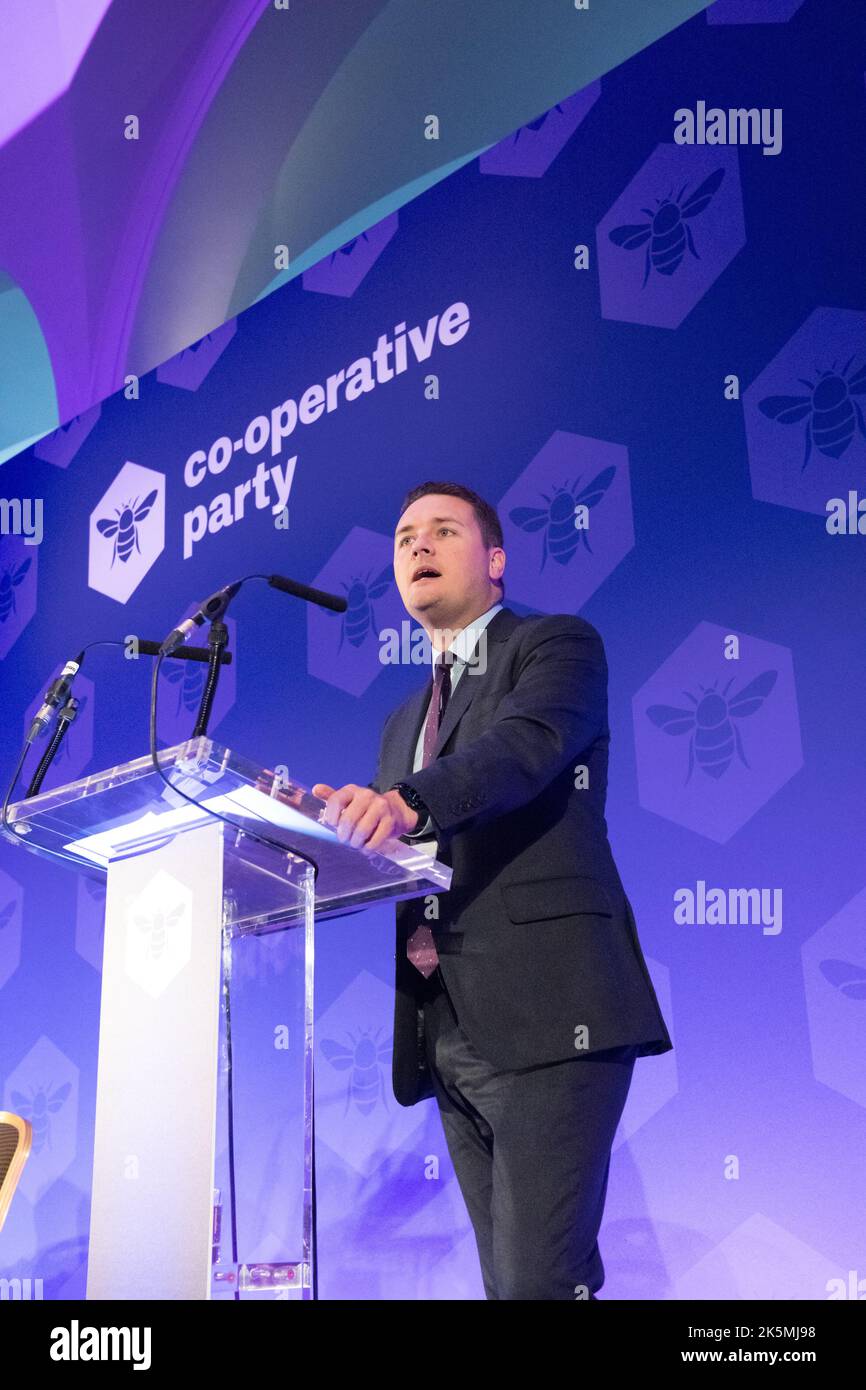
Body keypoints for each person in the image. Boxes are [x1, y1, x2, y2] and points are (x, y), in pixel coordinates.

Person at [313, 481, 672, 1300]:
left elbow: (523, 748)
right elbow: (398, 851)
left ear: (497, 560)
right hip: (446, 1027)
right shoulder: (402, 720)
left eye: (443, 531)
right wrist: (323, 830)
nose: (418, 547)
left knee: (537, 1285)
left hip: (551, 1011)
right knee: (512, 1285)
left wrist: (403, 801)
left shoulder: (554, 647)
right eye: (404, 537)